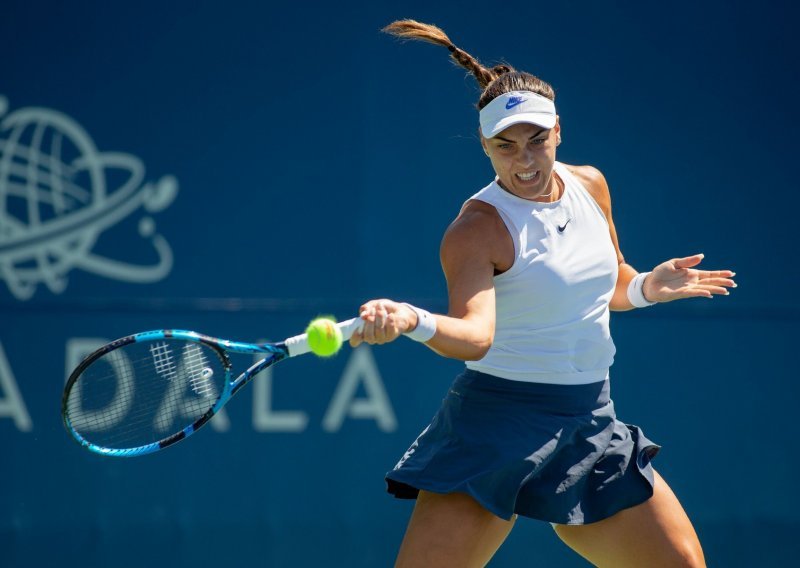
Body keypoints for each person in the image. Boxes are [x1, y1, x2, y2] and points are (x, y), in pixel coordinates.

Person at [349, 19, 735, 568]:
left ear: (559, 131)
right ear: (485, 147)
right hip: (496, 425)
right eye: (505, 146)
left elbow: (612, 283)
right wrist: (412, 318)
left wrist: (648, 287)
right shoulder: (476, 230)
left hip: (590, 420)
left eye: (536, 140)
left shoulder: (590, 185)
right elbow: (475, 337)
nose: (524, 160)